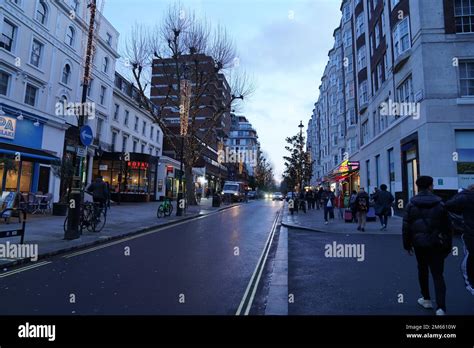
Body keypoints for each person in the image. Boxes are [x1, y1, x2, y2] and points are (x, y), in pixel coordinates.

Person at [402, 176, 452, 315]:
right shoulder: (440, 203)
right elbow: (448, 228)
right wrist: (448, 246)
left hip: (419, 243)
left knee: (422, 270)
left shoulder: (411, 204)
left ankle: (426, 299)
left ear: (417, 187)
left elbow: (406, 226)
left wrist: (407, 245)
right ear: (430, 186)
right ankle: (441, 308)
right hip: (436, 243)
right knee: (438, 274)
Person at [445, 184, 474, 296]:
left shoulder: (466, 196)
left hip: (471, 233)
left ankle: (471, 285)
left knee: (469, 260)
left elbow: (448, 205)